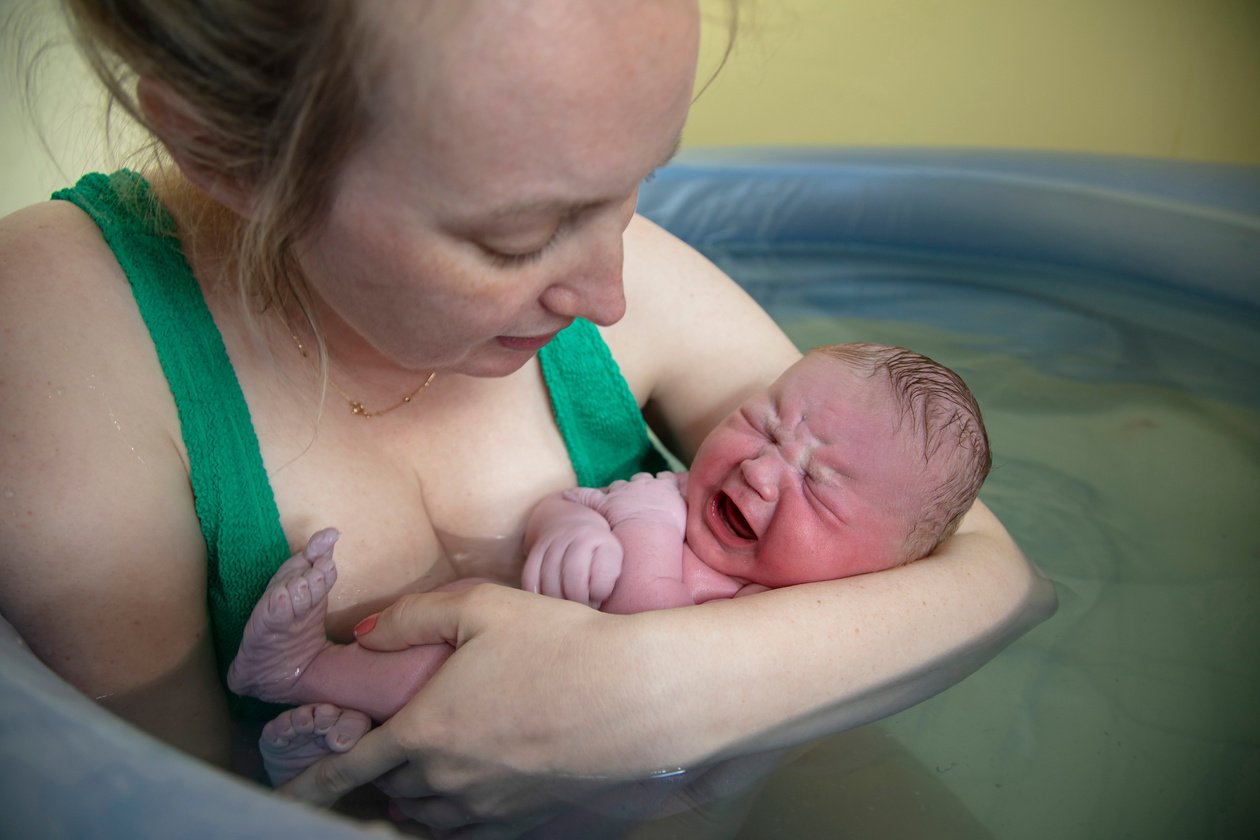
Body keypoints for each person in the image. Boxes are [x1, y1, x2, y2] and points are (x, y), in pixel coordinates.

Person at [0, 1, 1054, 835]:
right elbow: (163, 810)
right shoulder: (64, 338)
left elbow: (992, 576)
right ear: (227, 153)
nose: (610, 293)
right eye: (519, 239)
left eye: (639, 186)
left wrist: (644, 695)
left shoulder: (631, 283)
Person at [228, 341, 994, 784]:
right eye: (760, 425)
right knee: (447, 645)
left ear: (881, 570)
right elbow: (576, 510)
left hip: (597, 793)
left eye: (819, 487)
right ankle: (304, 676)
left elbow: (661, 658)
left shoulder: (808, 631)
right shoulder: (659, 498)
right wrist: (565, 527)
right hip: (499, 684)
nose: (763, 470)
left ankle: (340, 757)